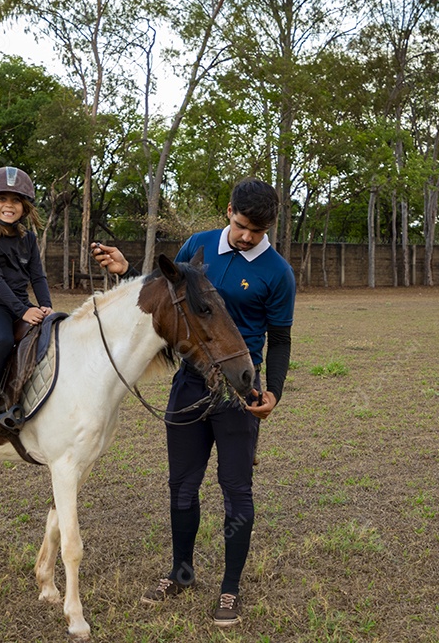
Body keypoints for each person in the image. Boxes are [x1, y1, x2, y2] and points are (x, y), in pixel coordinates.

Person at [92, 178, 295, 628]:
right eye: (242, 226)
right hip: (188, 383)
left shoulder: (278, 273)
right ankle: (180, 573)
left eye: (257, 232)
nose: (247, 237)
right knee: (181, 487)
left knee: (236, 489)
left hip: (239, 391)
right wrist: (128, 270)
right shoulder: (198, 246)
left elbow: (280, 339)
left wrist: (272, 390)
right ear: (228, 211)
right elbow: (166, 294)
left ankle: (230, 588)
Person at [0, 166, 53, 437]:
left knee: (48, 337)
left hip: (22, 304)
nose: (9, 205)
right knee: (4, 341)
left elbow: (37, 276)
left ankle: (23, 398)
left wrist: (45, 304)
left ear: (25, 206)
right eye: (2, 199)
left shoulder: (28, 239)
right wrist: (23, 310)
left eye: (16, 200)